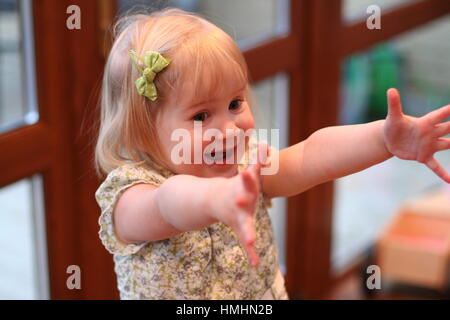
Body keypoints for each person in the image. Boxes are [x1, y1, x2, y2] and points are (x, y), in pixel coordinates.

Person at [94, 8, 450, 300]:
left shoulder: (246, 164)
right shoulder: (131, 194)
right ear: (141, 128)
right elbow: (168, 203)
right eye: (201, 116)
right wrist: (219, 196)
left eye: (235, 103)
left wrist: (382, 139)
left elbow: (313, 155)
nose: (230, 130)